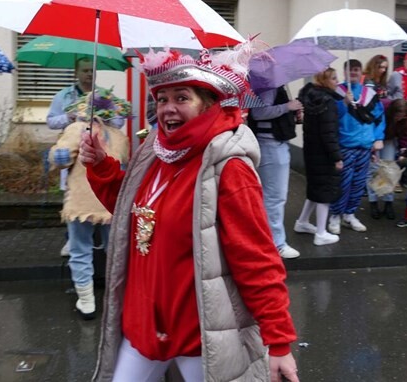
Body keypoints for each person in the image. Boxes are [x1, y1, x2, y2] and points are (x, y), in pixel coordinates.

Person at [79, 47, 300, 382]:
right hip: (143, 327)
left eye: (182, 98)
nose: (167, 107)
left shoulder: (229, 168)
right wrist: (101, 165)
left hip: (199, 338)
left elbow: (256, 258)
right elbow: (133, 213)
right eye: (162, 99)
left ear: (208, 104)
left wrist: (279, 340)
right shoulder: (156, 152)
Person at [49, 88, 130, 320]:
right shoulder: (119, 135)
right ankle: (117, 297)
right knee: (114, 251)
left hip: (81, 202)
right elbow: (124, 164)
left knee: (79, 249)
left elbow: (61, 158)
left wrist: (56, 152)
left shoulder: (77, 129)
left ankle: (86, 300)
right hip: (110, 203)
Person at [47, 58, 126, 257]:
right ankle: (72, 239)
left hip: (99, 152)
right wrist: (69, 118)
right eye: (85, 70)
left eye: (92, 70)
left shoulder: (106, 96)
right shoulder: (64, 96)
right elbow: (51, 121)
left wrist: (106, 116)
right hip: (73, 152)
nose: (89, 74)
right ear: (76, 72)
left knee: (99, 199)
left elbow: (119, 121)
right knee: (76, 197)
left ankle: (93, 242)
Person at [329, 59, 385, 235]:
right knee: (343, 183)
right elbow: (330, 118)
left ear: (361, 73)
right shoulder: (336, 92)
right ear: (344, 72)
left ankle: (349, 214)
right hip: (345, 145)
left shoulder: (370, 93)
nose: (353, 72)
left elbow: (379, 117)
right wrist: (344, 103)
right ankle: (335, 215)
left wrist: (378, 138)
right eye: (350, 70)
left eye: (356, 69)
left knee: (358, 184)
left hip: (365, 146)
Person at [247, 85, 303, 259]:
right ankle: (276, 243)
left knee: (270, 196)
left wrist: (293, 114)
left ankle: (266, 241)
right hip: (271, 146)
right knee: (275, 197)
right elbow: (259, 113)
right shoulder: (268, 88)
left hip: (273, 144)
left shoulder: (272, 87)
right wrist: (288, 107)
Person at [294, 68, 343, 246]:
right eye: (334, 78)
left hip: (312, 151)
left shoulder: (310, 98)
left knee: (316, 189)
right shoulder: (327, 102)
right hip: (324, 154)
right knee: (325, 193)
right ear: (325, 81)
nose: (337, 81)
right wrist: (337, 157)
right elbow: (328, 133)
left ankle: (302, 222)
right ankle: (321, 233)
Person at [368, 98, 407, 220]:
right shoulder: (381, 109)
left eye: (402, 117)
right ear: (392, 112)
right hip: (374, 138)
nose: (399, 119)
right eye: (397, 116)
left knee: (390, 170)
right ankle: (373, 202)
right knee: (373, 170)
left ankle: (388, 202)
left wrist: (403, 149)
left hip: (390, 139)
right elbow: (372, 125)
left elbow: (405, 134)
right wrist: (372, 148)